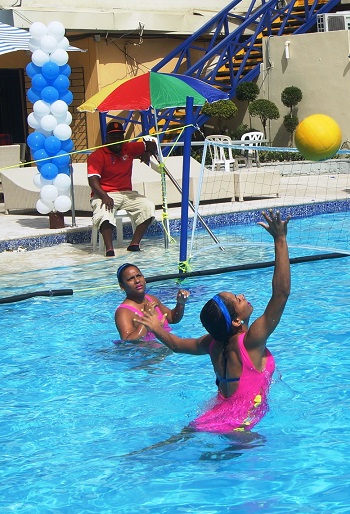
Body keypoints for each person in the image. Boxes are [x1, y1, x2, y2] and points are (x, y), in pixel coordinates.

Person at [137, 210, 290, 434]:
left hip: (211, 416)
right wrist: (280, 240)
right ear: (237, 320)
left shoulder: (213, 343)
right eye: (238, 299)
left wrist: (157, 328)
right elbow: (281, 293)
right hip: (240, 425)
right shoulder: (251, 342)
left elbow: (177, 345)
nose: (243, 296)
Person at [88, 121, 159, 257]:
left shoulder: (129, 148)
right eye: (113, 137)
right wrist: (104, 196)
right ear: (107, 139)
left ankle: (134, 244)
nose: (117, 140)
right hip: (104, 193)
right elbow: (92, 180)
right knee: (104, 213)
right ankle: (109, 249)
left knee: (148, 206)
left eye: (119, 137)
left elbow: (152, 144)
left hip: (127, 193)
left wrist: (148, 152)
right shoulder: (97, 155)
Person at [114, 263, 190, 342]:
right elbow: (128, 341)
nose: (137, 281)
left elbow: (173, 319)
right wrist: (147, 316)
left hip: (166, 345)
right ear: (122, 287)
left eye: (139, 276)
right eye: (131, 279)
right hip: (150, 352)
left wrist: (180, 303)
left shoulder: (151, 299)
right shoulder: (123, 312)